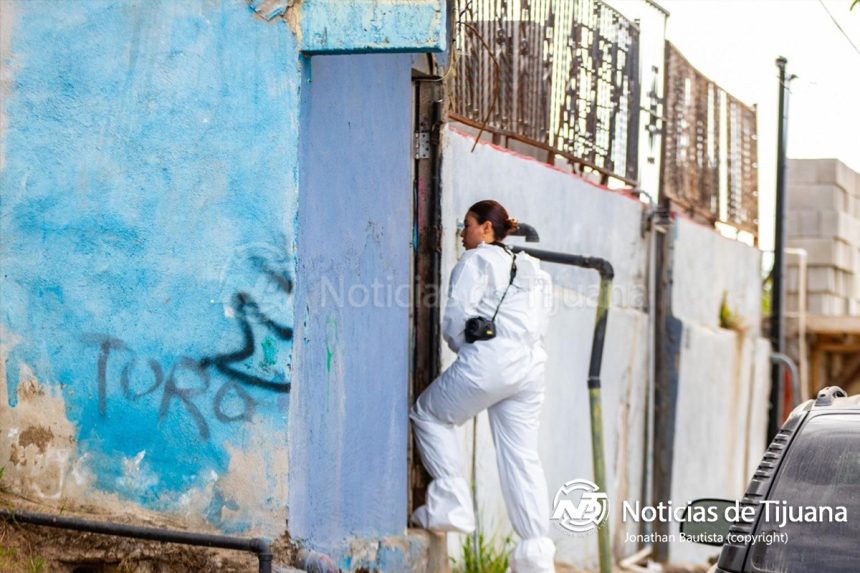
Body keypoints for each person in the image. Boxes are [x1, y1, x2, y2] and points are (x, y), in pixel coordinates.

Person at [410, 200, 556, 573]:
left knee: (428, 414)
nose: (463, 232)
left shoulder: (476, 260)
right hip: (531, 366)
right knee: (522, 456)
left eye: (468, 225)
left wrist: (466, 349)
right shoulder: (534, 268)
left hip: (492, 363)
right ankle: (536, 557)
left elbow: (456, 318)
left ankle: (450, 507)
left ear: (487, 230)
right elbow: (543, 319)